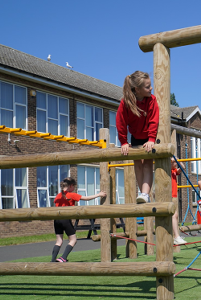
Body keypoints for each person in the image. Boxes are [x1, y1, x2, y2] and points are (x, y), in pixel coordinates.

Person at [116, 71, 158, 203]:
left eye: (150, 85)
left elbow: (154, 120)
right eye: (147, 87)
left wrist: (151, 139)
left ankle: (145, 194)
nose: (151, 88)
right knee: (137, 165)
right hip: (135, 138)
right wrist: (123, 141)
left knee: (146, 164)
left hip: (148, 138)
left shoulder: (151, 100)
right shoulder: (126, 102)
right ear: (137, 89)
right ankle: (143, 194)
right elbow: (121, 122)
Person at [51, 177, 107, 262]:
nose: (74, 189)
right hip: (65, 219)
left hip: (56, 220)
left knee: (59, 241)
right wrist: (98, 195)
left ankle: (52, 260)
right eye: (74, 187)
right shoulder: (71, 194)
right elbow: (86, 198)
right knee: (73, 240)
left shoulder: (58, 196)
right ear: (71, 186)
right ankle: (63, 258)